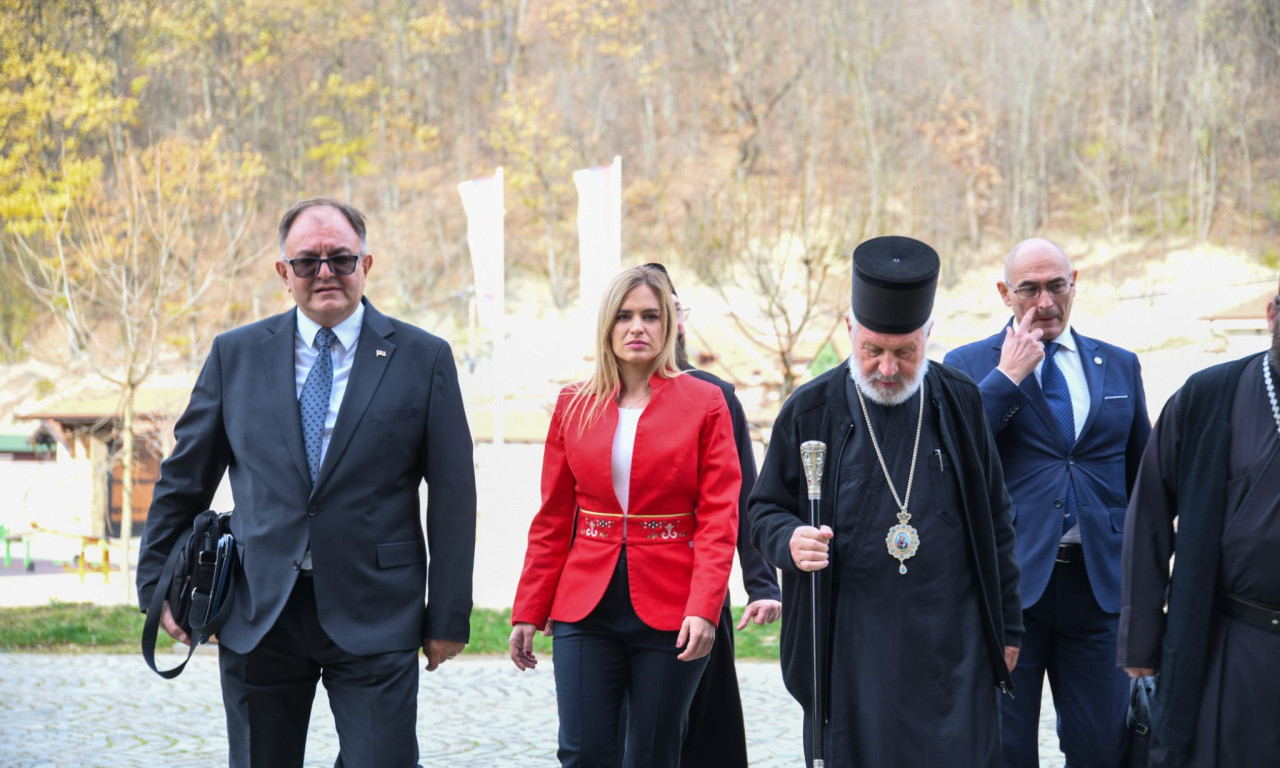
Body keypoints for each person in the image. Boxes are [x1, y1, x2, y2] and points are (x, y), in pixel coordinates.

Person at [136, 198, 477, 768]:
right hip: (256, 611)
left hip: (377, 610)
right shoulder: (234, 355)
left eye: (341, 259)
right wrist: (155, 587)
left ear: (367, 264)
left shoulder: (424, 357)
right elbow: (184, 480)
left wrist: (446, 615)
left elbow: (453, 496)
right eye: (307, 262)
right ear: (282, 273)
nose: (325, 273)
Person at [750, 235, 1022, 767]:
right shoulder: (809, 411)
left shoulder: (960, 401)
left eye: (905, 352)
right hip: (850, 648)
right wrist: (790, 541)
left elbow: (997, 519)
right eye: (872, 350)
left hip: (954, 645)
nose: (888, 369)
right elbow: (763, 511)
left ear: (928, 335)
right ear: (850, 330)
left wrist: (1007, 628)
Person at [508, 265, 741, 767]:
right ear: (606, 326)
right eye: (625, 316)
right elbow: (551, 518)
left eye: (651, 316)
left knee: (654, 754)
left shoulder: (707, 403)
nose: (638, 327)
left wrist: (706, 607)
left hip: (673, 606)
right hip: (583, 606)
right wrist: (529, 608)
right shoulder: (573, 404)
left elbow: (720, 517)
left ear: (668, 326)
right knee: (583, 751)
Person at [945, 238, 1151, 767]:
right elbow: (955, 462)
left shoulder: (1121, 365)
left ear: (1074, 282)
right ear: (1003, 293)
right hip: (1010, 590)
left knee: (1103, 745)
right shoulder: (967, 365)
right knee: (1005, 747)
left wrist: (1148, 584)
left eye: (1056, 286)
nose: (1045, 302)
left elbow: (1143, 478)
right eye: (1029, 289)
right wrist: (1007, 378)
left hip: (1100, 590)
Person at [1118, 282, 1280, 766]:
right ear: (1273, 314)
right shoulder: (1208, 396)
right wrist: (1142, 642)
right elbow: (1148, 514)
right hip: (1229, 641)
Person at [642, 262, 783, 767]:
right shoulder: (598, 398)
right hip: (616, 593)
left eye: (661, 311)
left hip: (696, 588)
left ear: (678, 318)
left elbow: (741, 493)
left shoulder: (714, 396)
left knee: (701, 735)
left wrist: (762, 582)